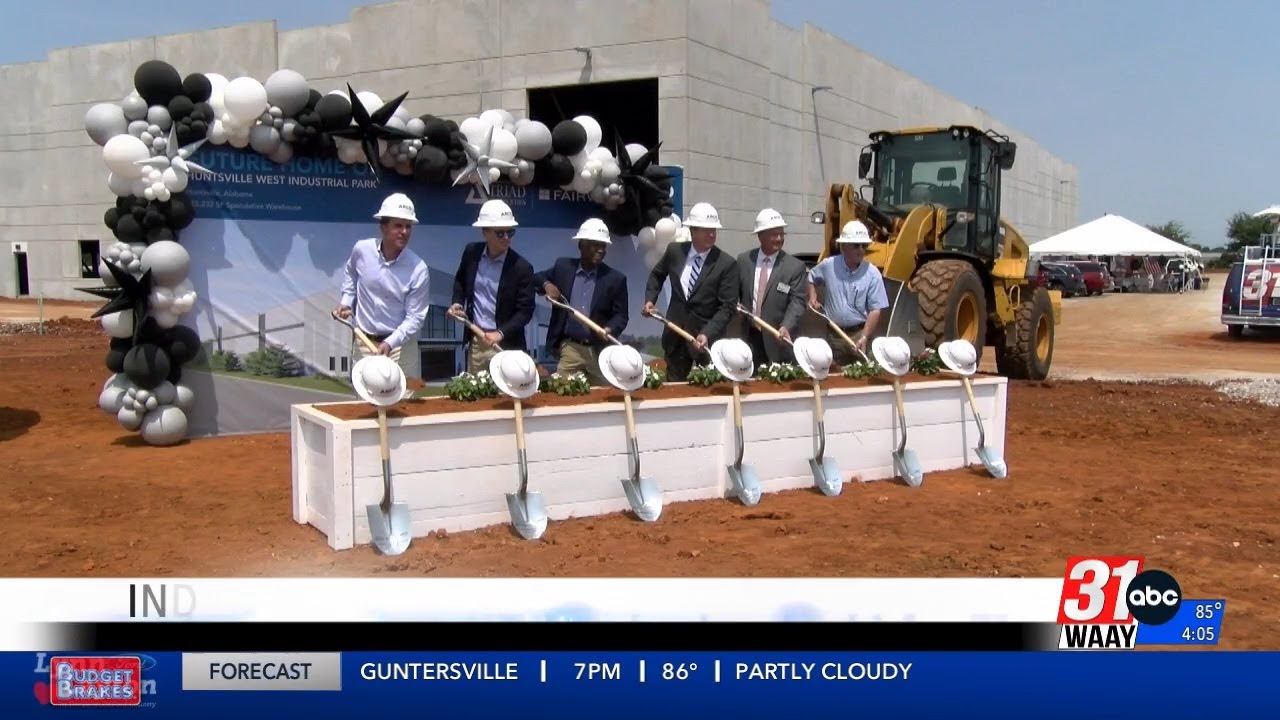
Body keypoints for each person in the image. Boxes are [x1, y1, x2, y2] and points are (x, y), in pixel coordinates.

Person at [335, 192, 429, 396]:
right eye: (398, 225)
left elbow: (415, 318)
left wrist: (390, 342)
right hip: (363, 342)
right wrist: (346, 301)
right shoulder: (361, 250)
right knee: (364, 403)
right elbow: (350, 274)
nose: (404, 231)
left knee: (402, 406)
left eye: (408, 226)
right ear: (383, 227)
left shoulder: (418, 269)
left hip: (400, 348)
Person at [642, 201, 739, 382]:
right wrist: (650, 300)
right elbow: (657, 275)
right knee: (674, 388)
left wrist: (706, 333)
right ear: (693, 230)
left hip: (707, 342)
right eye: (706, 230)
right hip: (675, 335)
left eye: (714, 230)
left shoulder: (726, 264)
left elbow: (727, 307)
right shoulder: (675, 251)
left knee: (711, 388)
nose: (711, 234)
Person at [534, 218, 629, 386]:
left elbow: (621, 315)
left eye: (603, 246)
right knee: (562, 393)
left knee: (603, 399)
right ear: (581, 245)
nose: (600, 250)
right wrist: (546, 285)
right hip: (571, 349)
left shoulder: (615, 279)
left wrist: (609, 328)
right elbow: (536, 278)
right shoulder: (563, 267)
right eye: (595, 245)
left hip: (599, 351)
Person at [449, 199, 535, 374]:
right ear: (485, 232)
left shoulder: (522, 268)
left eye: (510, 232)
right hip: (477, 343)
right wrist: (457, 303)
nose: (506, 238)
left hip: (507, 344)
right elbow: (460, 280)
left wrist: (500, 333)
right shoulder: (471, 252)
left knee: (507, 396)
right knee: (476, 395)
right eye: (500, 233)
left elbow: (525, 311)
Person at [807, 219, 889, 366]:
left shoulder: (872, 273)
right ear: (844, 246)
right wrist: (812, 298)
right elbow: (811, 277)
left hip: (859, 334)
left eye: (864, 246)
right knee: (835, 377)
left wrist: (864, 337)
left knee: (862, 376)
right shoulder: (828, 266)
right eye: (856, 245)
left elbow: (875, 310)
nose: (861, 250)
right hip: (834, 334)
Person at [735, 208, 808, 365]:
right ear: (760, 236)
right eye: (774, 234)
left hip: (779, 338)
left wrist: (786, 326)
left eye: (782, 234)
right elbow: (736, 292)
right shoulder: (744, 260)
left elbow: (798, 302)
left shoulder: (794, 267)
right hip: (750, 336)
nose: (779, 238)